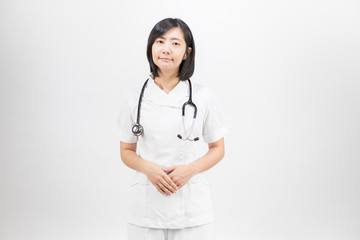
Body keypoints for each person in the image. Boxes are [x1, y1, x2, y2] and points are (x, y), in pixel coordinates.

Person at [118, 18, 227, 240]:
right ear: (152, 47)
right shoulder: (134, 98)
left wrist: (190, 170)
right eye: (160, 41)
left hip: (191, 208)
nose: (166, 49)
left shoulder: (203, 97)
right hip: (146, 208)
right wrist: (148, 168)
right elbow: (126, 151)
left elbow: (218, 147)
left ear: (187, 53)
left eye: (175, 43)